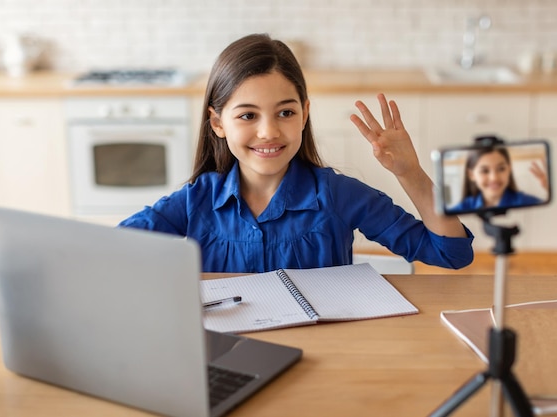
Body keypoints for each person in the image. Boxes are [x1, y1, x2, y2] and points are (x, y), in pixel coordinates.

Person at [119, 33, 474, 273]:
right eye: (247, 115)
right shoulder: (195, 201)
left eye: (285, 112)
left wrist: (410, 172)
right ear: (217, 123)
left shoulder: (337, 194)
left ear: (304, 114)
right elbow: (110, 250)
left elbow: (451, 253)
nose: (269, 131)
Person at [451, 147, 547, 212]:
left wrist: (548, 188)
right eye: (484, 171)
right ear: (471, 174)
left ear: (509, 169)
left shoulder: (527, 202)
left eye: (501, 169)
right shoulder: (461, 209)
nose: (494, 178)